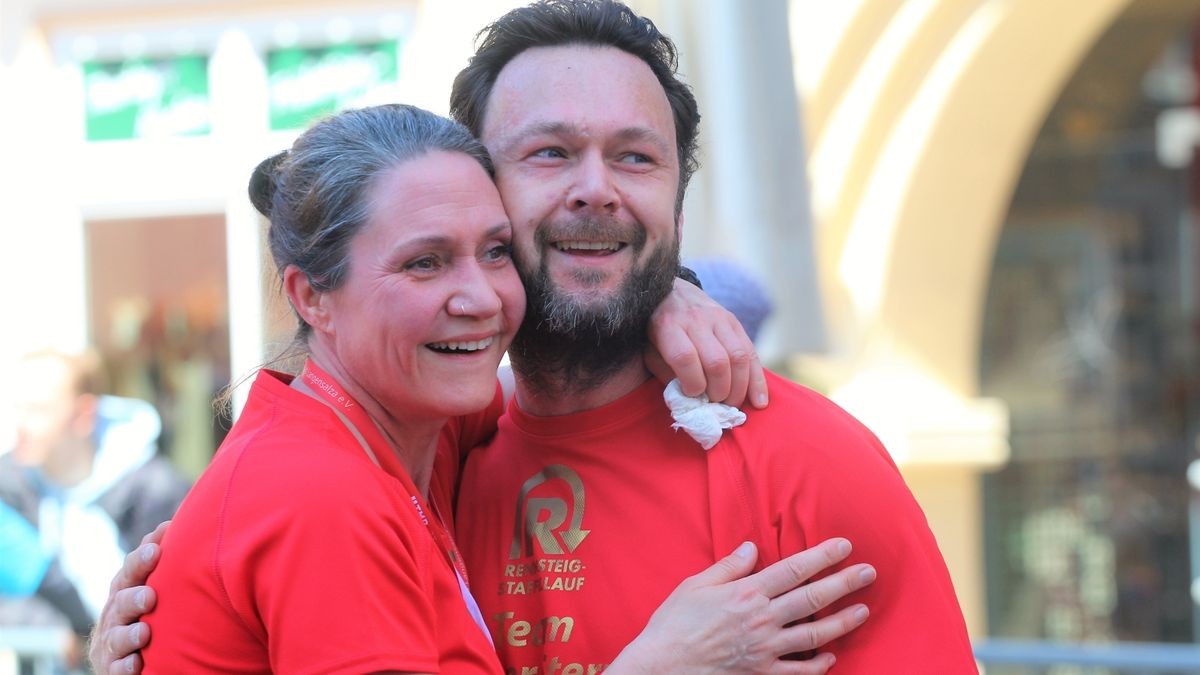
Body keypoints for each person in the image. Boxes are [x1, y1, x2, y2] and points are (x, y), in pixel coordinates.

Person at [111, 103, 870, 674]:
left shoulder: (420, 429)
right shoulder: (321, 495)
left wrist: (658, 293)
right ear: (311, 297)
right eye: (425, 263)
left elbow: (546, 389)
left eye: (495, 250)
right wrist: (663, 661)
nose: (479, 296)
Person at [444, 1, 975, 672]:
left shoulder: (812, 465)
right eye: (551, 153)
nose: (596, 189)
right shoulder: (435, 460)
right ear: (476, 194)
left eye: (635, 158)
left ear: (678, 210)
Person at [0, 349, 189, 664]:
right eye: (16, 407)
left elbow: (175, 595)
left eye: (37, 410)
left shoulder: (154, 489)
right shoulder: (8, 485)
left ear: (83, 414)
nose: (20, 424)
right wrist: (48, 627)